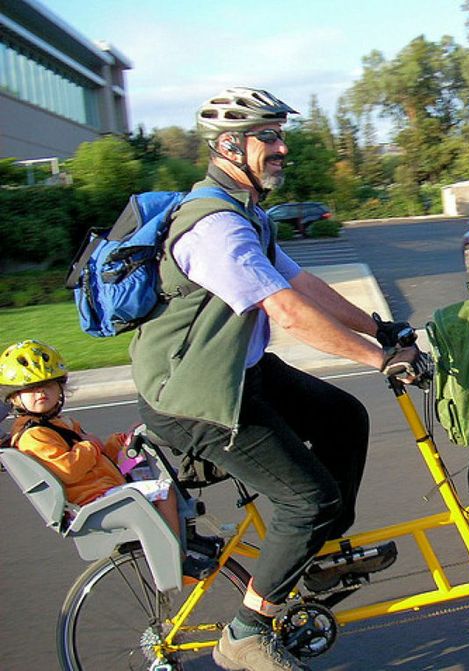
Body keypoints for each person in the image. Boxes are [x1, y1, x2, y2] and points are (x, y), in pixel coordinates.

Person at [129, 87, 427, 671]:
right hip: (197, 398)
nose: (281, 146)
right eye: (268, 136)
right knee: (308, 499)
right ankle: (243, 634)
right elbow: (285, 312)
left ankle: (306, 557)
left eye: (279, 134)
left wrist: (380, 329)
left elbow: (302, 285)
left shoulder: (246, 214)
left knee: (344, 418)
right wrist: (376, 360)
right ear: (229, 146)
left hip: (239, 373)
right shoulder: (214, 228)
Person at [0, 340, 216, 580]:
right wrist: (91, 445)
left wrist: (118, 443)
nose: (41, 393)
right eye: (31, 388)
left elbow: (95, 458)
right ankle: (179, 559)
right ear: (14, 397)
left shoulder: (55, 425)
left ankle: (187, 536)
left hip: (100, 491)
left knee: (156, 472)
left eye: (48, 385)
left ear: (60, 388)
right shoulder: (34, 435)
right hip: (92, 500)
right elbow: (70, 469)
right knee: (163, 491)